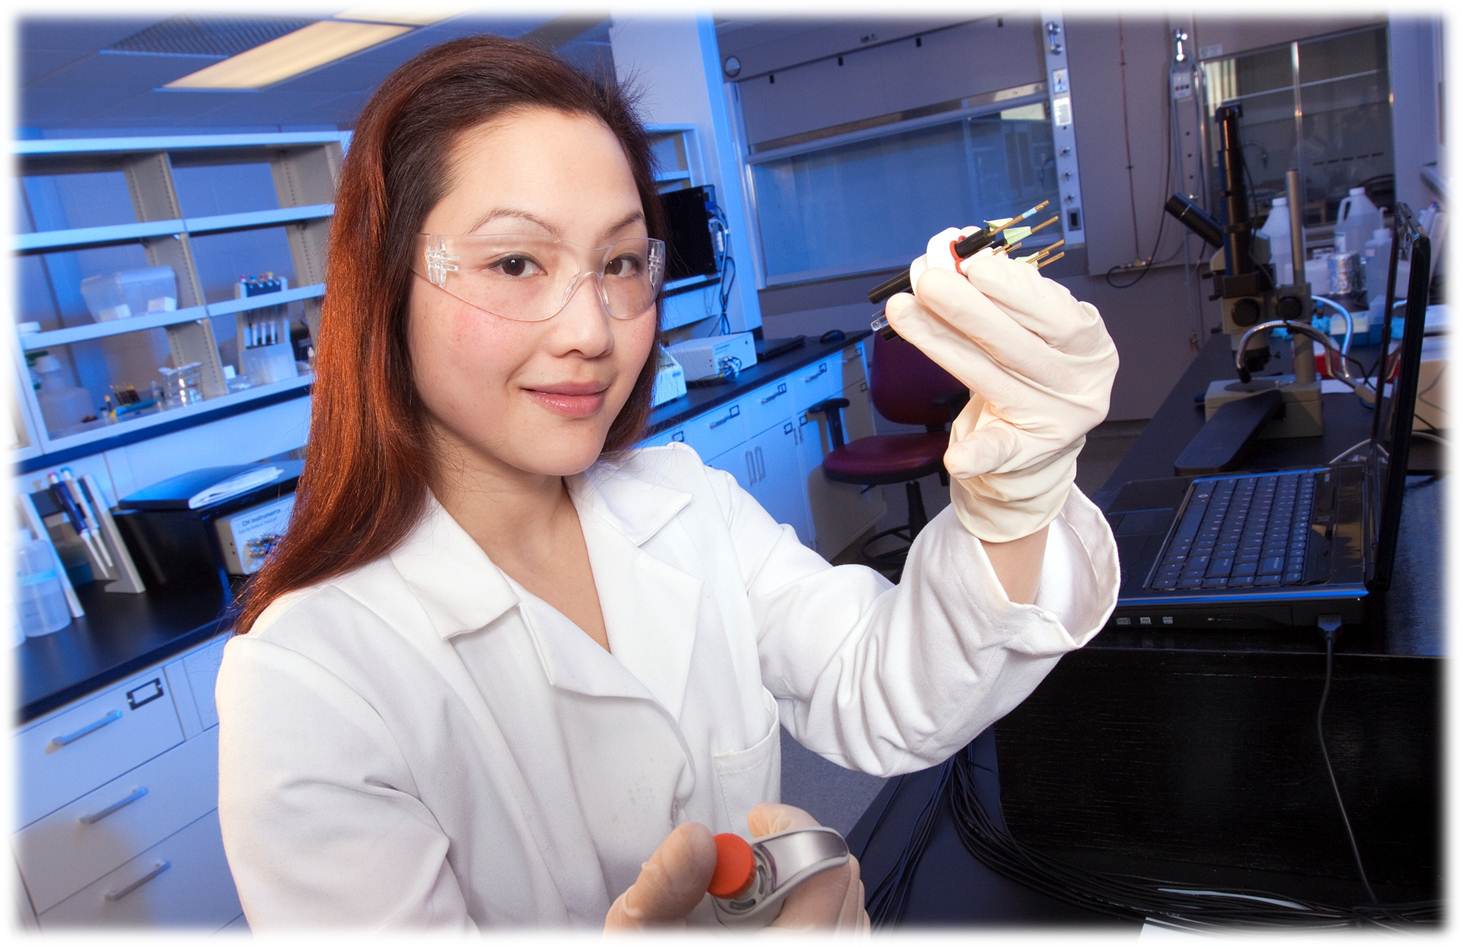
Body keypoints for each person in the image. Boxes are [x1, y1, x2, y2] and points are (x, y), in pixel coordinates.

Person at [215, 34, 1121, 931]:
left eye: (618, 263)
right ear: (385, 287)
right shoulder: (309, 681)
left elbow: (891, 685)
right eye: (515, 263)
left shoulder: (684, 502)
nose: (592, 331)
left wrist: (1014, 495)